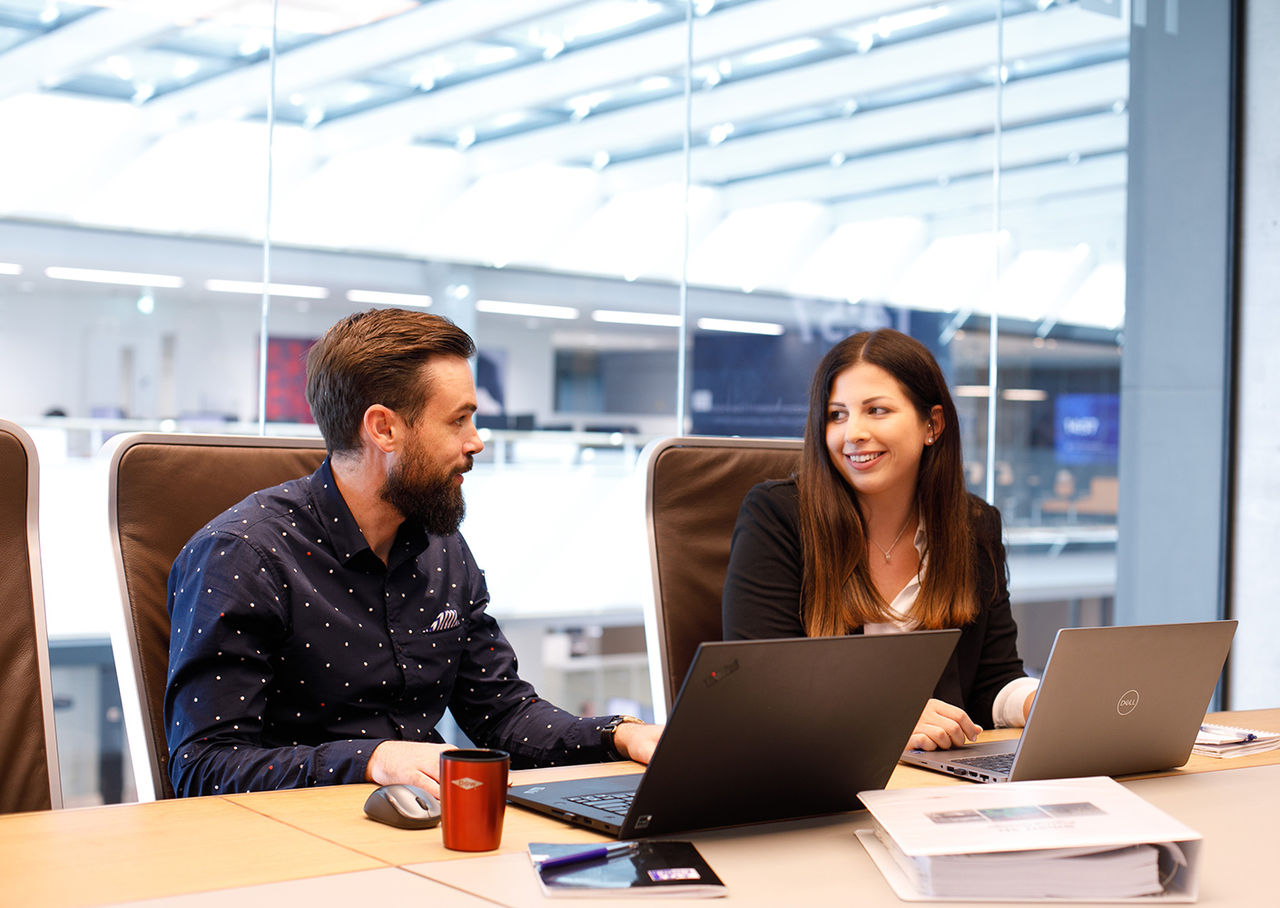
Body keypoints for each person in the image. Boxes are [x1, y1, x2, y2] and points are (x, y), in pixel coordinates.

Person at [165, 308, 661, 797]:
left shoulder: (443, 549)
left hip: (425, 827)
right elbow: (204, 767)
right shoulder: (244, 556)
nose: (477, 442)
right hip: (297, 847)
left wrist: (620, 734)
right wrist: (374, 760)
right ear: (383, 429)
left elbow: (502, 713)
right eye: (458, 421)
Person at [721, 328, 1037, 752]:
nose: (853, 432)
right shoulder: (778, 518)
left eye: (876, 410)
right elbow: (762, 685)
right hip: (817, 776)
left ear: (933, 424)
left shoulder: (973, 526)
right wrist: (890, 715)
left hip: (934, 781)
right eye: (837, 415)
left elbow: (991, 681)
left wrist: (1037, 701)